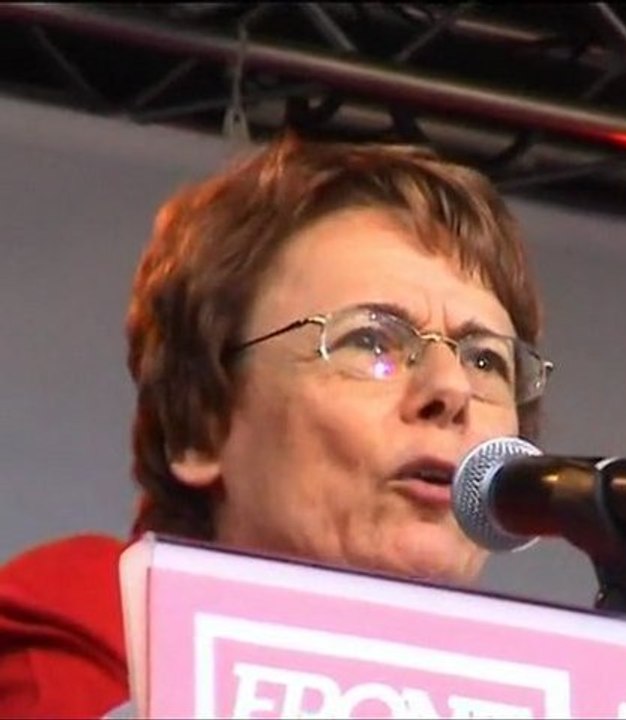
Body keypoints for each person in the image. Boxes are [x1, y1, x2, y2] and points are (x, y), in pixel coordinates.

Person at [0, 133, 553, 719]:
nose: (451, 389)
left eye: (486, 359)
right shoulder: (103, 619)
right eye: (370, 341)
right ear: (202, 422)